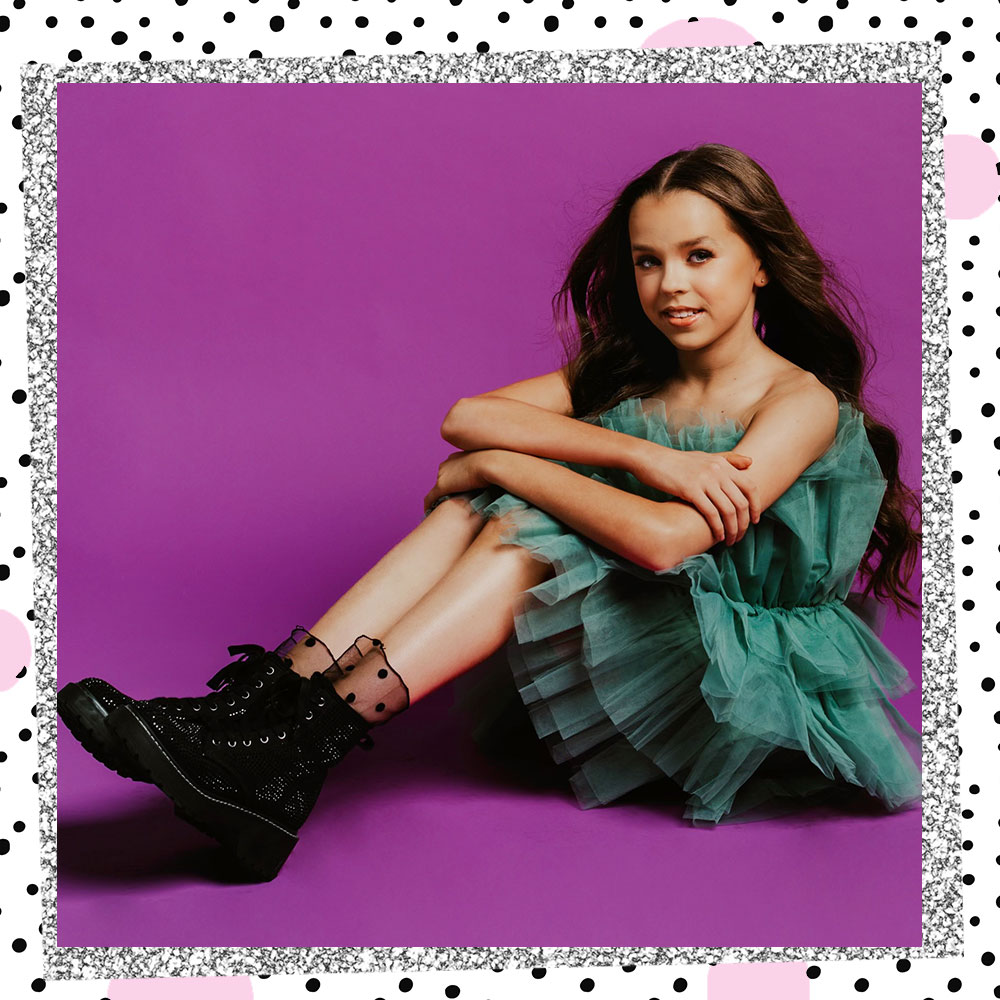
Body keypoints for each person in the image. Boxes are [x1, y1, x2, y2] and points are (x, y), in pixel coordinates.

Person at [57, 143, 923, 882]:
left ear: (761, 261)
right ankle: (264, 718)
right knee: (492, 493)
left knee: (519, 518)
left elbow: (664, 542)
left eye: (701, 256)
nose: (669, 285)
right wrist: (639, 452)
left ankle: (282, 757)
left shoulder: (797, 401)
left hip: (737, 689)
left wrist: (507, 463)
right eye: (648, 260)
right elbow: (465, 417)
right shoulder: (637, 378)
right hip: (652, 634)